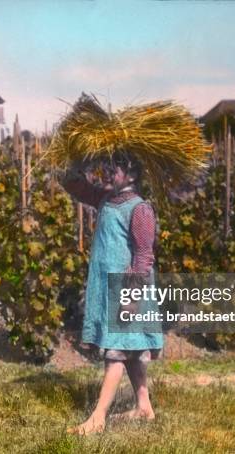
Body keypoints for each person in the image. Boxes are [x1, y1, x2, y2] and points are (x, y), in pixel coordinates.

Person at [61, 150, 165, 435]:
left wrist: (131, 300)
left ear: (131, 175)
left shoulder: (139, 209)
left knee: (116, 352)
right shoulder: (106, 198)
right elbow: (72, 183)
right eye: (108, 166)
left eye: (116, 167)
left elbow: (143, 256)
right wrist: (80, 158)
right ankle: (144, 407)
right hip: (108, 287)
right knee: (129, 349)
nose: (109, 171)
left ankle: (97, 417)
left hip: (128, 289)